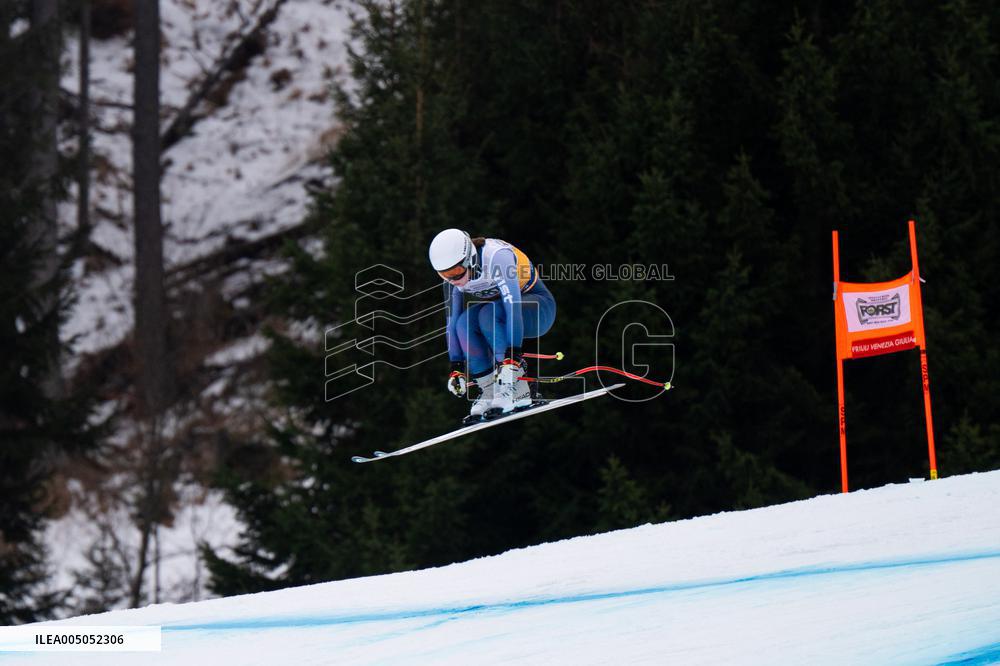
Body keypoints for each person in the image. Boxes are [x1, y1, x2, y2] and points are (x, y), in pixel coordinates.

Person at [429, 229, 557, 420]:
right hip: (501, 313)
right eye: (444, 275)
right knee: (463, 324)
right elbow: (452, 323)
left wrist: (512, 359)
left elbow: (512, 306)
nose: (453, 280)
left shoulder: (497, 258)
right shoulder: (451, 281)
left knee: (488, 315)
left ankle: (519, 387)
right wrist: (456, 368)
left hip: (539, 309)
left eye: (456, 273)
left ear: (469, 259)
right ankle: (489, 389)